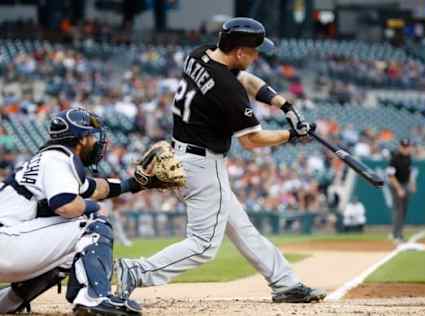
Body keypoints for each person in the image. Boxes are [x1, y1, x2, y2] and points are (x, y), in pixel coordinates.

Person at [115, 17, 326, 303]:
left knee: (241, 228)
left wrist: (284, 104)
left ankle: (286, 283)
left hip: (184, 154)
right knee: (203, 245)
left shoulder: (200, 54)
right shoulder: (227, 90)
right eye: (254, 51)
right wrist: (291, 134)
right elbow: (251, 141)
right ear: (239, 52)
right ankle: (137, 271)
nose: (256, 56)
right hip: (203, 166)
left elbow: (246, 79)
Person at [0, 107, 154, 315]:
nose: (96, 141)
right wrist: (93, 207)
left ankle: (7, 302)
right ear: (81, 139)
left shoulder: (49, 159)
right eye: (91, 135)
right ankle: (93, 297)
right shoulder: (59, 159)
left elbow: (95, 188)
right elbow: (65, 205)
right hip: (7, 245)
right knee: (92, 222)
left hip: (10, 242)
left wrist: (133, 184)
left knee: (68, 254)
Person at [386, 138, 416, 243]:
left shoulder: (408, 157)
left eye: (407, 147)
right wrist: (399, 189)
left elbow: (410, 171)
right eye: (404, 147)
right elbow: (390, 176)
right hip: (395, 185)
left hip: (405, 184)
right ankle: (397, 235)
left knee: (404, 210)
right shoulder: (395, 158)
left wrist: (412, 183)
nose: (406, 149)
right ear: (400, 147)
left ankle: (398, 233)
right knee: (398, 210)